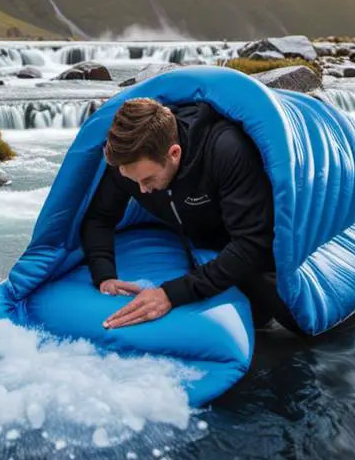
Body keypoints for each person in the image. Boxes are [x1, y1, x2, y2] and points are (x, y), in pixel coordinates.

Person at [80, 98, 307, 335]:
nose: (142, 191)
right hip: (188, 234)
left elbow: (254, 244)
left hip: (241, 241)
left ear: (174, 153)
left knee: (291, 320)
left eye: (147, 180)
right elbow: (99, 218)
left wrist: (170, 294)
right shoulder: (129, 164)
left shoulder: (224, 149)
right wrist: (105, 276)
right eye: (133, 181)